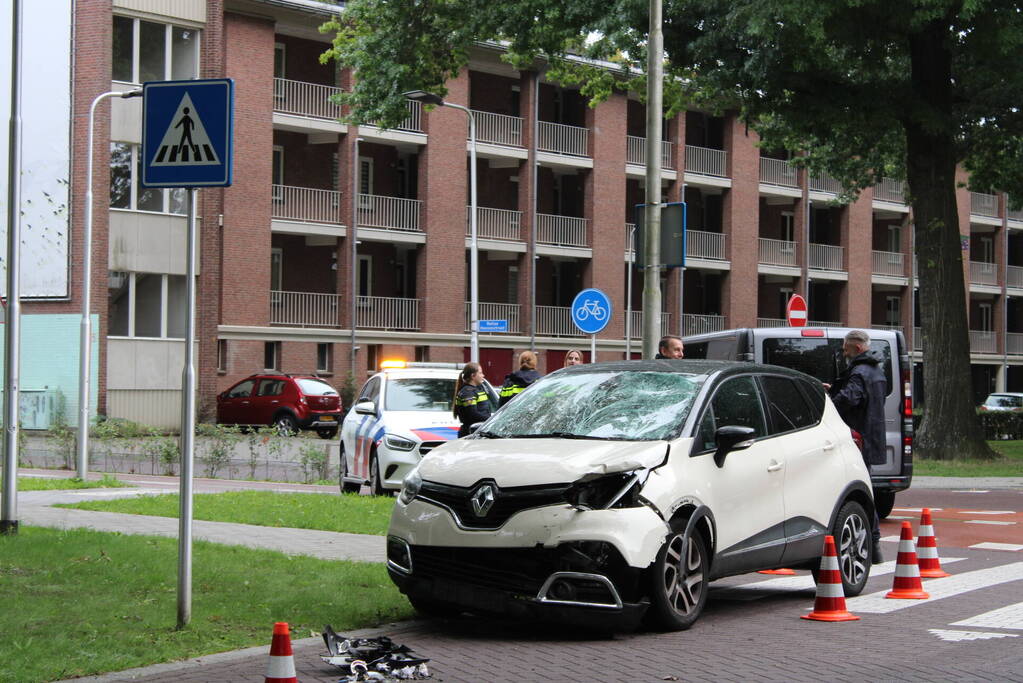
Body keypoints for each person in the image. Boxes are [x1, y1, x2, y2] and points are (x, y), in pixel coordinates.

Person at [826, 329, 886, 564]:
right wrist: (835, 388)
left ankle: (871, 541)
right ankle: (875, 544)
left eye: (846, 348)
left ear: (857, 348)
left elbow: (850, 399)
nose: (843, 352)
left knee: (856, 491)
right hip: (870, 438)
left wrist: (829, 403)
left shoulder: (859, 372)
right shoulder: (876, 372)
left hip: (856, 439)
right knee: (865, 489)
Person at [453, 362, 492, 437]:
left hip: (477, 430)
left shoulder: (476, 389)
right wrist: (492, 419)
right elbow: (472, 414)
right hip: (470, 432)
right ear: (473, 376)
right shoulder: (468, 393)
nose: (483, 376)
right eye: (480, 373)